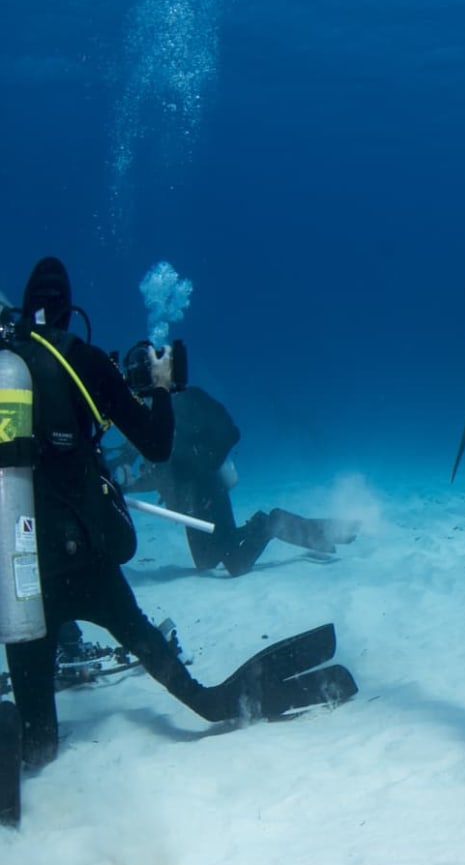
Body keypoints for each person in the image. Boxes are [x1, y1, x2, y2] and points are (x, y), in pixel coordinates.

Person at [0, 256, 357, 784]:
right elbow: (154, 445)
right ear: (69, 311)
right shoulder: (86, 362)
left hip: (24, 577)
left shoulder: (9, 370)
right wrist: (162, 388)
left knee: (38, 744)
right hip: (95, 569)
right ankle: (204, 694)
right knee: (204, 692)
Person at [112, 381, 358, 576]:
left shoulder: (181, 409)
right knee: (205, 563)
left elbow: (228, 434)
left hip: (208, 495)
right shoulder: (143, 433)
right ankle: (268, 527)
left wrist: (202, 472)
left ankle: (273, 523)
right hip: (187, 507)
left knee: (236, 565)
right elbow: (156, 476)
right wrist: (122, 487)